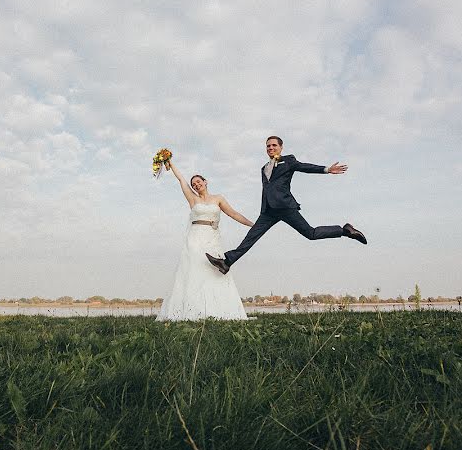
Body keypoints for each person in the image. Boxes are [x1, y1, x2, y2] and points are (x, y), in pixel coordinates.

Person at [206, 135, 366, 275]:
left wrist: (326, 169)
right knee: (251, 237)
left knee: (311, 234)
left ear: (280, 147)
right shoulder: (264, 168)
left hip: (285, 207)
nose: (271, 148)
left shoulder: (288, 161)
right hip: (268, 211)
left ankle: (345, 231)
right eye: (268, 146)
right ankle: (226, 262)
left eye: (274, 145)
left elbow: (305, 167)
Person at [156, 159, 254, 321]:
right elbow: (181, 179)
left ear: (205, 182)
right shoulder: (193, 199)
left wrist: (253, 225)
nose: (196, 185)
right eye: (193, 184)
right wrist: (170, 162)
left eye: (198, 182)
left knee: (214, 270)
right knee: (195, 269)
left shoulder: (218, 198)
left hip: (212, 238)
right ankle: (191, 310)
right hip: (195, 238)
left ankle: (219, 309)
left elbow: (234, 214)